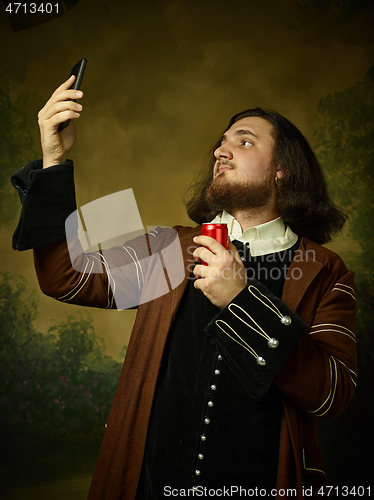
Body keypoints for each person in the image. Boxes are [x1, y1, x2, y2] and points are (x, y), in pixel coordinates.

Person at [11, 76, 357, 500]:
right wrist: (53, 162)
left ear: (283, 169)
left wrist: (242, 301)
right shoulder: (169, 245)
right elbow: (65, 277)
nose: (220, 150)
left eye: (244, 141)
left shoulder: (326, 271)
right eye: (221, 141)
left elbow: (332, 393)